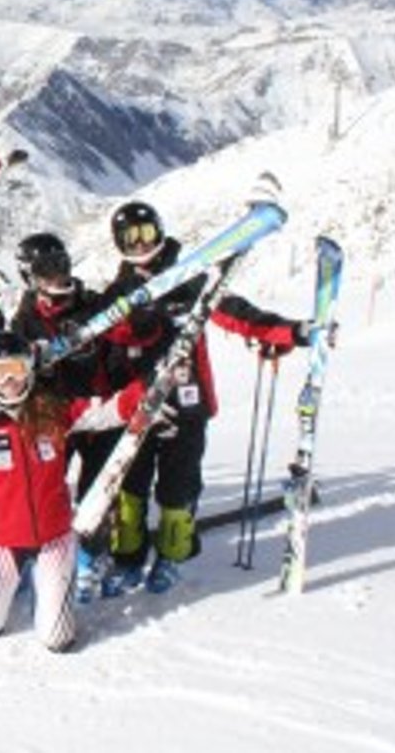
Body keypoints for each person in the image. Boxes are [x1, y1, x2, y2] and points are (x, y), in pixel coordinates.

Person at [99, 200, 309, 594]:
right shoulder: (118, 293)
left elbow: (237, 313)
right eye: (130, 237)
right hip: (137, 406)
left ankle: (171, 557)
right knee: (129, 489)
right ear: (119, 243)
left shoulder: (192, 278)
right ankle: (128, 561)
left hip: (187, 404)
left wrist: (288, 332)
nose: (141, 244)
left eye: (147, 233)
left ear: (160, 232)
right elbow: (101, 341)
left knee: (178, 489)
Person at [0, 331, 145, 652]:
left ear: (30, 370)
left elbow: (107, 410)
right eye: (0, 372)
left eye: (17, 370)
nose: (10, 381)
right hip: (3, 540)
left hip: (54, 535)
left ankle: (48, 590)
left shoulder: (51, 411)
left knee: (56, 639)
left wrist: (148, 390)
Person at [6, 232, 121, 602]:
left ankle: (91, 558)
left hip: (98, 412)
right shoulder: (24, 321)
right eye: (46, 269)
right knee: (48, 488)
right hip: (55, 417)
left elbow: (124, 335)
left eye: (62, 265)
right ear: (30, 275)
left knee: (100, 488)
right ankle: (46, 555)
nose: (58, 275)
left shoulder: (92, 305)